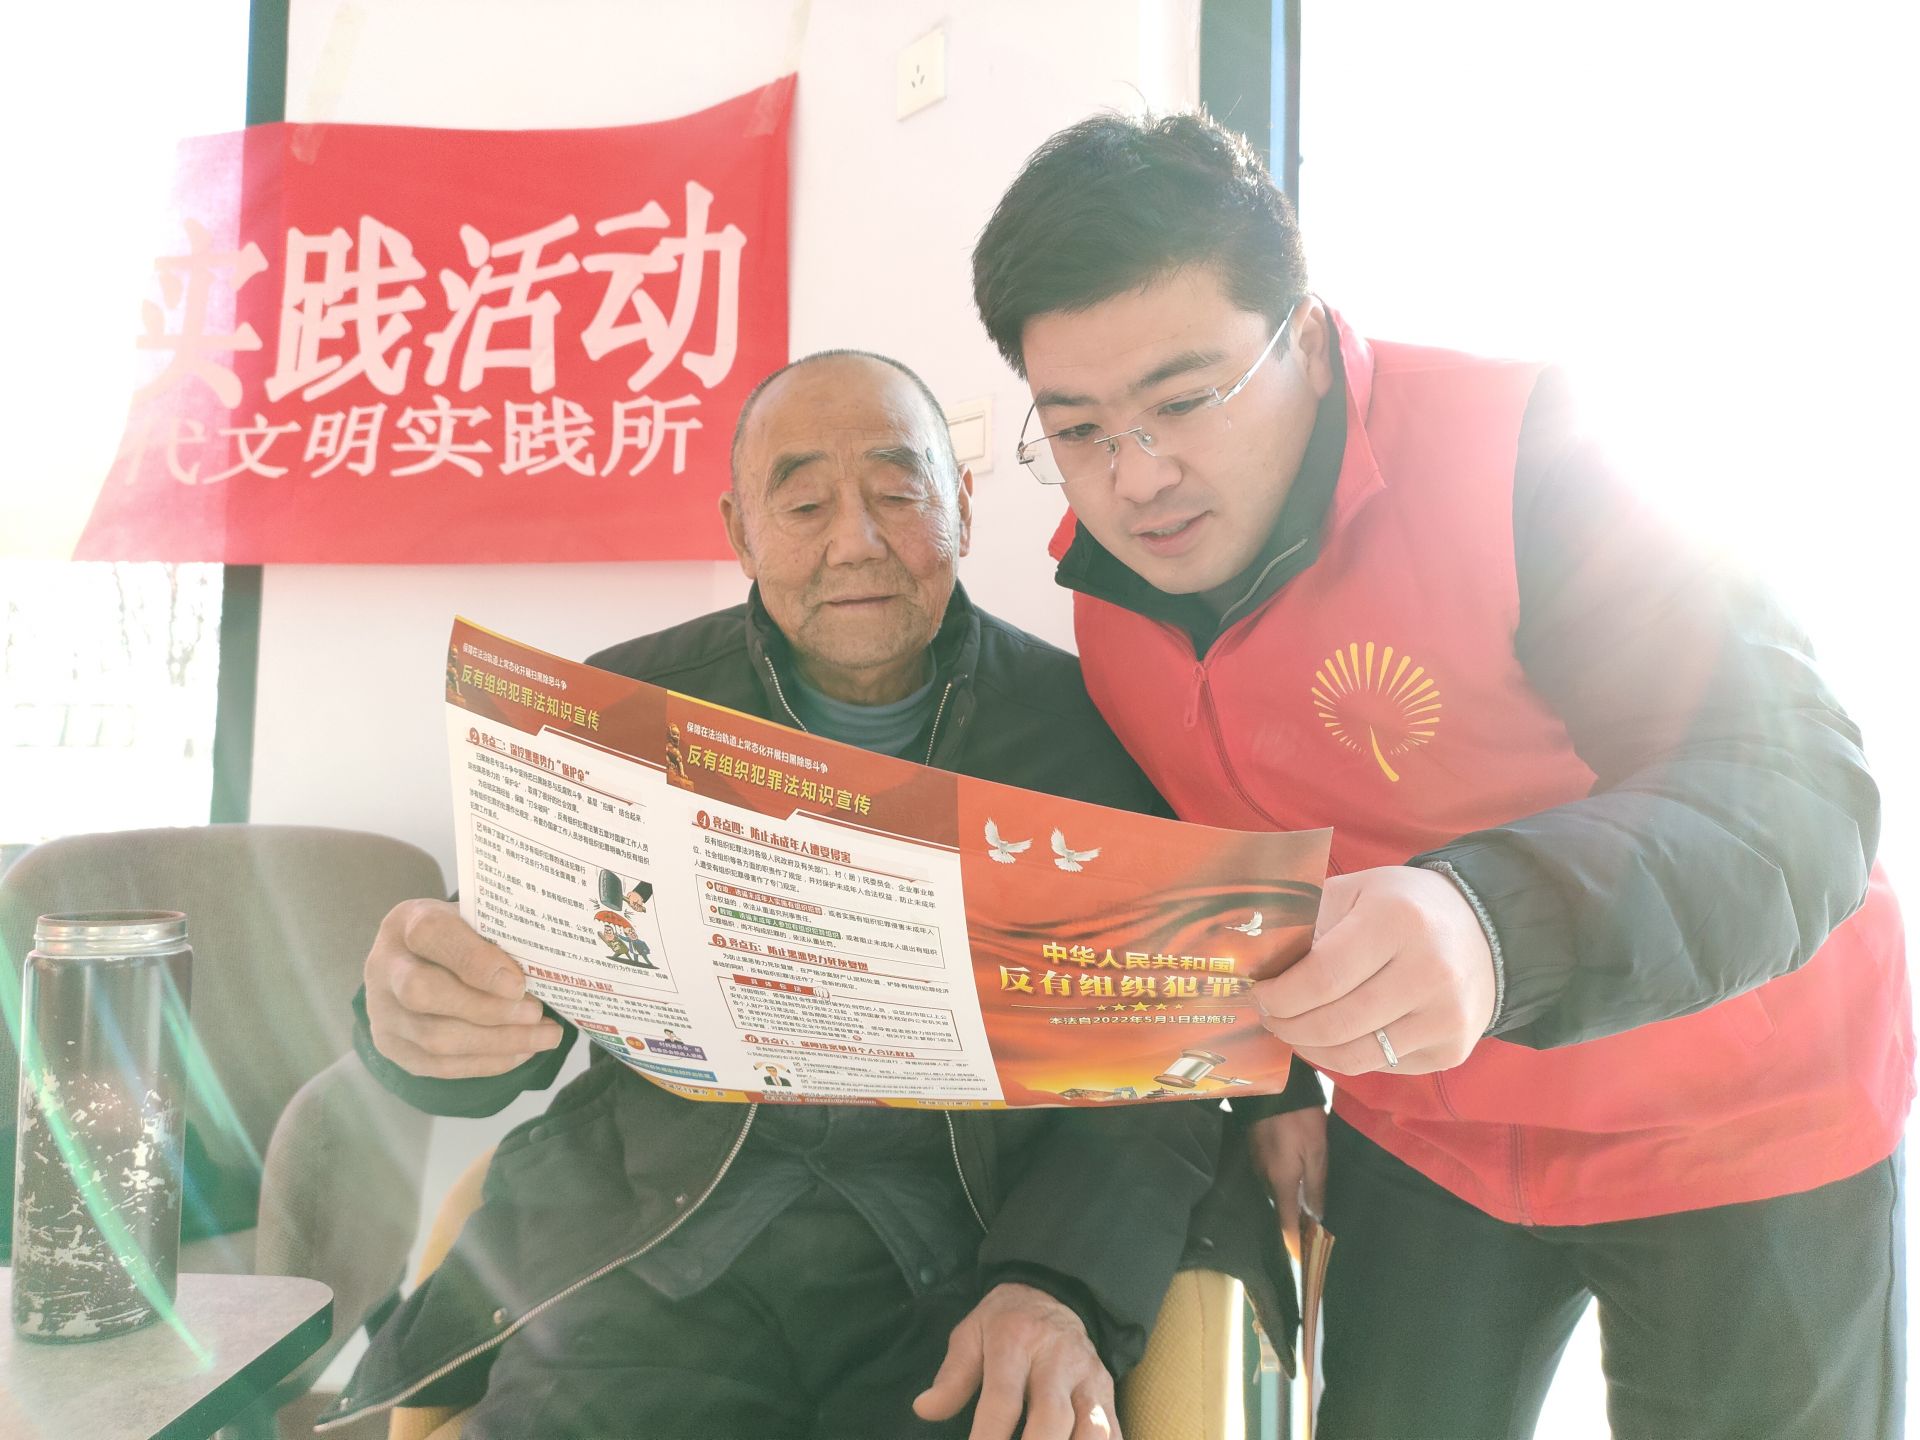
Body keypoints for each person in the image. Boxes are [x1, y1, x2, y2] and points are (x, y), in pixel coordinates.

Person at [971, 112, 1911, 1439]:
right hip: (1426, 1132)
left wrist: (1488, 921)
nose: (1138, 478)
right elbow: (1227, 866)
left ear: (1304, 338)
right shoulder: (1110, 595)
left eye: (1184, 402)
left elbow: (1794, 793)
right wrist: (1281, 1088)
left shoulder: (1536, 462)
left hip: (1734, 1109)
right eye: (1077, 428)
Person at [320, 350, 1288, 1440]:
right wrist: (417, 1017)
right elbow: (498, 1018)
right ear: (741, 532)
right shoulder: (620, 715)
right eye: (804, 504)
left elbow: (1166, 1070)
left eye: (898, 493)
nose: (856, 541)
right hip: (656, 1251)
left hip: (970, 1256)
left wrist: (1054, 1282)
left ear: (964, 509)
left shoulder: (1095, 736)